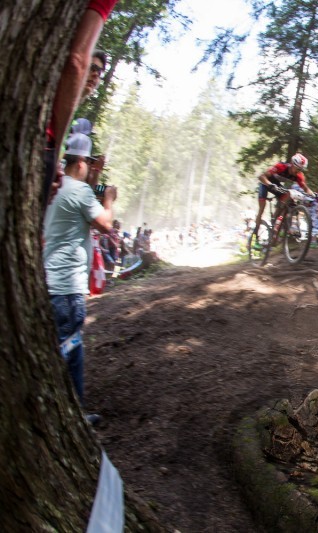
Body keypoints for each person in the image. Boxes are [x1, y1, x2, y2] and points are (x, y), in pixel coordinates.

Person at [43, 133, 117, 423]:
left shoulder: (55, 187)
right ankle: (68, 414)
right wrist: (108, 199)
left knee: (67, 346)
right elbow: (106, 224)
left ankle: (66, 410)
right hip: (67, 285)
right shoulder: (81, 192)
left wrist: (95, 173)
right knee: (69, 349)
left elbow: (81, 198)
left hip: (48, 281)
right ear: (82, 162)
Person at [45, 0, 116, 207]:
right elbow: (102, 221)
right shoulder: (74, 190)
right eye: (91, 67)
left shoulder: (74, 188)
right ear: (79, 162)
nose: (95, 75)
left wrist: (96, 173)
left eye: (99, 72)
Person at [255, 153, 313, 228]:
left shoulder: (299, 175)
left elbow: (306, 188)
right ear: (292, 164)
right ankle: (256, 231)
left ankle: (275, 220)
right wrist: (269, 184)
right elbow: (262, 177)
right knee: (262, 209)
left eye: (301, 169)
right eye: (298, 168)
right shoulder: (281, 167)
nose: (298, 171)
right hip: (266, 183)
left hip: (276, 185)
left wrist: (313, 195)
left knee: (288, 199)